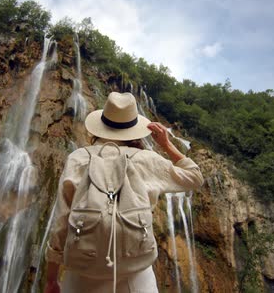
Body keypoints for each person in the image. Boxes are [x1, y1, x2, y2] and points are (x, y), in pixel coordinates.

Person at [44, 92, 204, 293]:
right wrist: (166, 144)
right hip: (136, 276)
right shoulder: (148, 159)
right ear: (135, 130)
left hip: (81, 275)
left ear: (100, 127)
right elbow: (195, 177)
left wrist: (51, 278)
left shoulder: (78, 158)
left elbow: (61, 219)